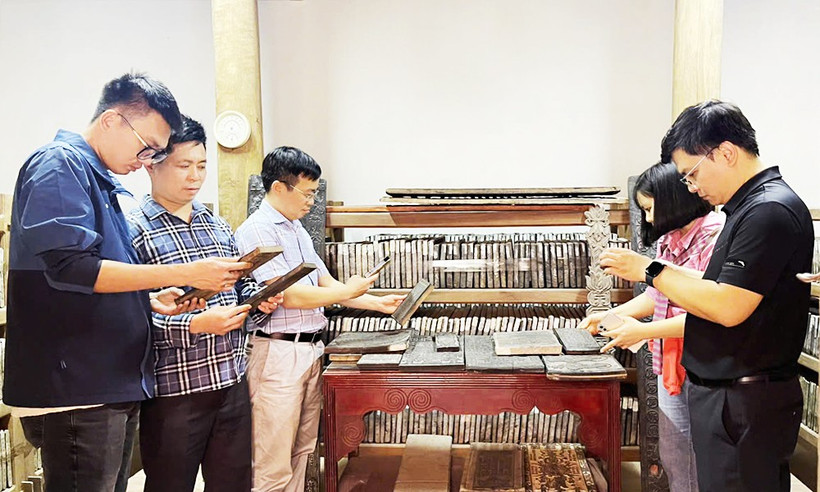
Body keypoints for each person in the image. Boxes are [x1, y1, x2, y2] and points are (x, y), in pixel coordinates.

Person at [3, 73, 249, 492]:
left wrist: (147, 299)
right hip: (78, 383)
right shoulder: (59, 164)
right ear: (112, 121)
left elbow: (94, 276)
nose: (146, 158)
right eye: (148, 147)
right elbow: (71, 267)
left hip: (107, 380)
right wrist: (186, 272)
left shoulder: (95, 177)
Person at [599, 100, 813, 491]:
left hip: (745, 397)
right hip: (730, 393)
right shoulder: (747, 208)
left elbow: (726, 306)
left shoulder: (768, 211)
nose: (692, 186)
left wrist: (649, 270)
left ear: (726, 152)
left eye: (691, 173)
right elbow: (706, 288)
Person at [234, 146, 404, 492]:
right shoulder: (258, 230)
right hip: (278, 354)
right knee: (272, 457)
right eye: (307, 192)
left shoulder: (296, 230)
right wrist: (348, 292)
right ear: (279, 188)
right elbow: (291, 296)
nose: (312, 200)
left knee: (303, 450)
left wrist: (377, 303)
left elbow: (326, 284)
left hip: (310, 350)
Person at [128, 116, 284, 492]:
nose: (194, 176)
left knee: (233, 483)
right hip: (174, 394)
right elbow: (129, 320)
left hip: (230, 382)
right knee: (170, 484)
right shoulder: (133, 230)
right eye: (183, 166)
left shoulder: (216, 226)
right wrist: (196, 324)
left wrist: (257, 300)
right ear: (151, 163)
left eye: (201, 166)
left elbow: (238, 285)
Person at [580, 161, 723, 492]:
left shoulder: (715, 236)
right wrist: (612, 315)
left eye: (648, 208)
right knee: (675, 457)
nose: (645, 218)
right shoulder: (670, 240)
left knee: (702, 461)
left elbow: (709, 311)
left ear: (674, 197)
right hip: (670, 363)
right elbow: (660, 297)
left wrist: (642, 332)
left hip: (705, 366)